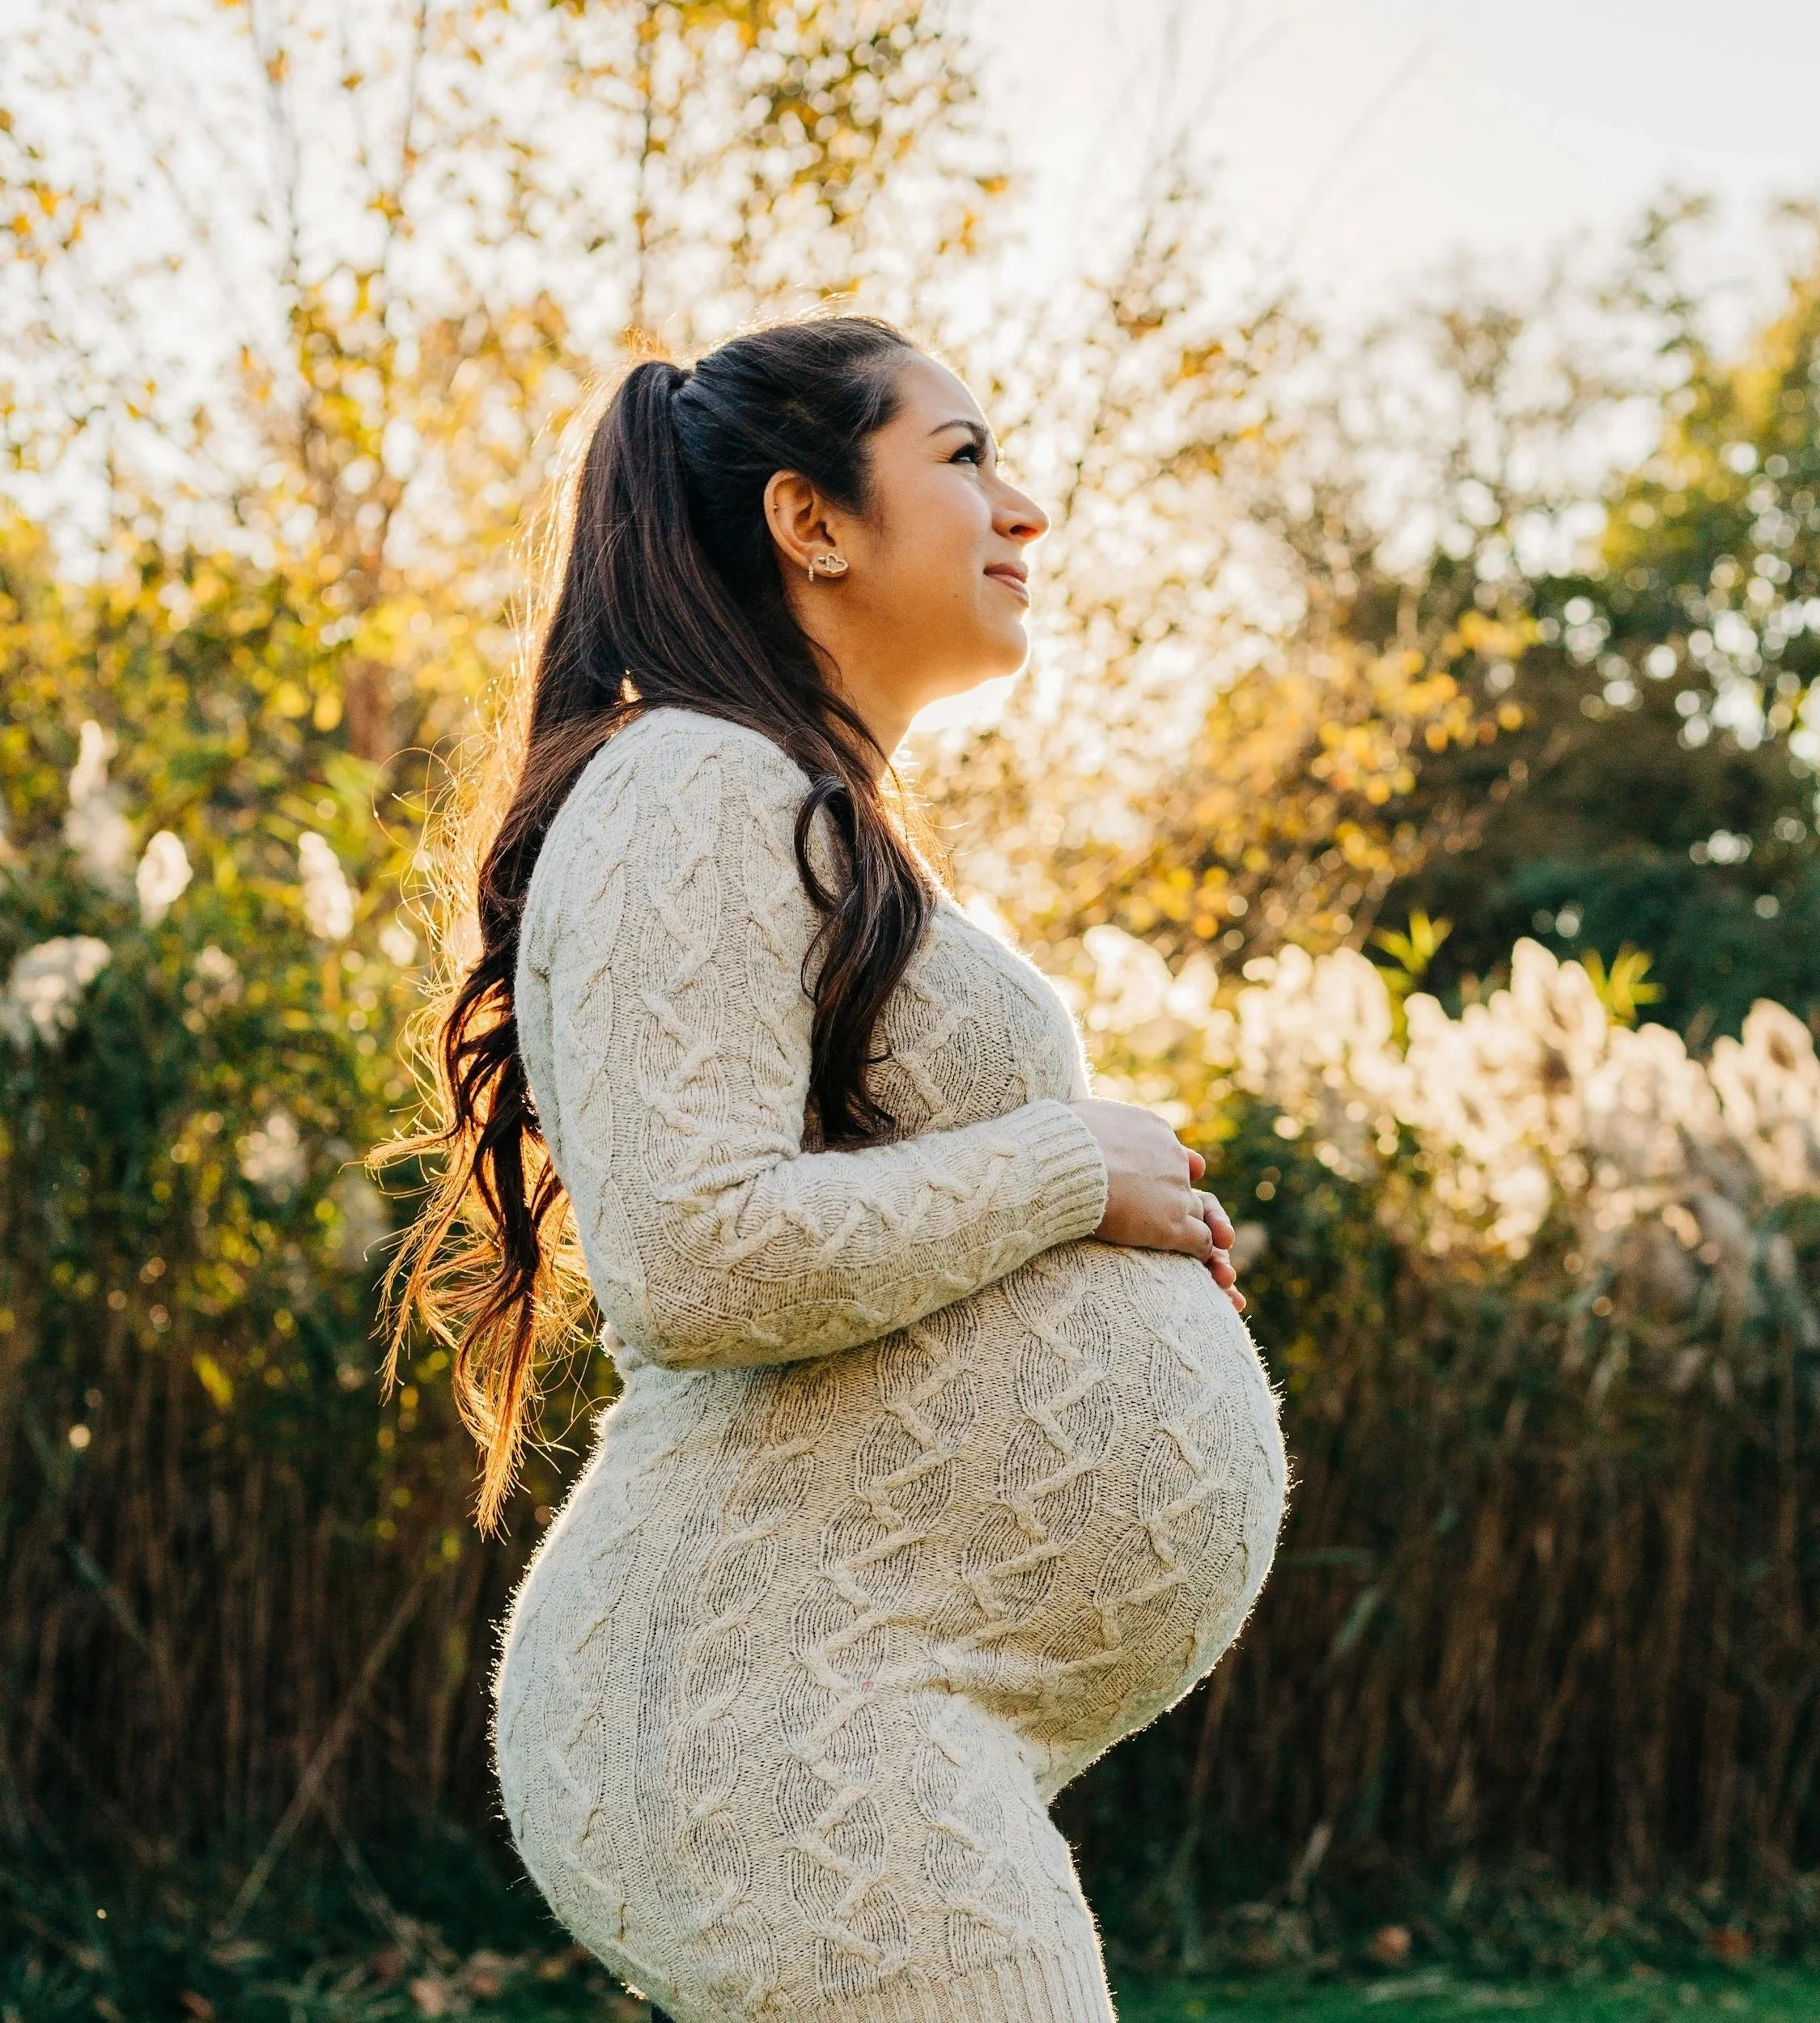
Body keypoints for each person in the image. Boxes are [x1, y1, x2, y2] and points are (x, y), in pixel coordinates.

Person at [387, 315, 1287, 2023]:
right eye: (962, 457)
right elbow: (694, 1250)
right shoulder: (691, 781)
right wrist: (1062, 1164)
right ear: (811, 519)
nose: (1020, 508)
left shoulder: (786, 798)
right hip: (771, 1697)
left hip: (866, 1690)